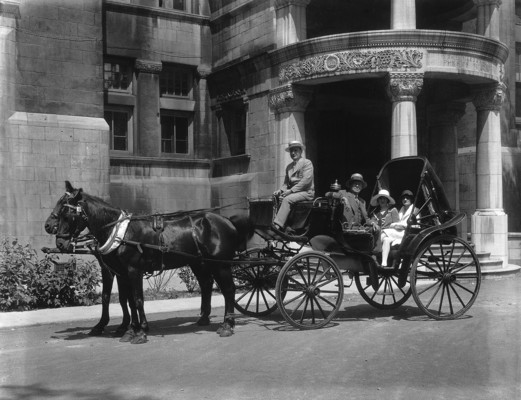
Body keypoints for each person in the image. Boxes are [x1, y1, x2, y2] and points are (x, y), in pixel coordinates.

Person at [272, 140, 314, 232]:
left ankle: (277, 226)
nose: (293, 153)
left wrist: (290, 191)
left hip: (306, 192)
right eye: (291, 151)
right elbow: (286, 184)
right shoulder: (289, 167)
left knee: (287, 199)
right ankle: (286, 225)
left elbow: (306, 181)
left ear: (300, 151)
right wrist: (280, 190)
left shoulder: (307, 163)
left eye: (295, 150)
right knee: (278, 197)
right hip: (294, 193)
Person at [380, 189, 419, 268]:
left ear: (411, 199)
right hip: (399, 233)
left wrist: (396, 225)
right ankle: (384, 262)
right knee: (386, 239)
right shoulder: (401, 210)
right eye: (403, 198)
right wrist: (396, 225)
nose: (405, 199)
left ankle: (375, 250)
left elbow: (416, 226)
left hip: (407, 234)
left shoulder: (415, 210)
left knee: (384, 232)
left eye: (407, 198)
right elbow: (398, 222)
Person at [369, 189, 399, 254]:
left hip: (389, 235)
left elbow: (397, 224)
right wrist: (373, 223)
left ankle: (376, 253)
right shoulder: (375, 212)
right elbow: (372, 220)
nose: (382, 200)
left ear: (387, 200)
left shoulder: (392, 210)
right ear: (378, 200)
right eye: (380, 199)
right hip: (377, 235)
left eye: (384, 199)